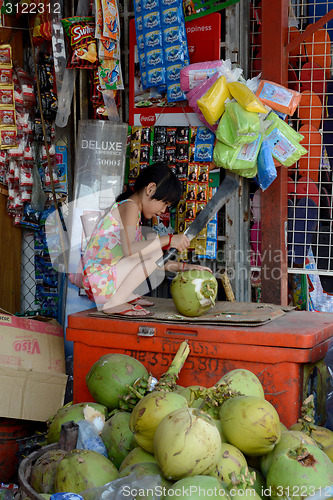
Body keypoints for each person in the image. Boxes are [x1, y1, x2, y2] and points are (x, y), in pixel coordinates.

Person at [81, 162, 211, 315]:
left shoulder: (133, 212)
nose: (163, 210)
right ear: (150, 189)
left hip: (101, 282)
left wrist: (185, 268)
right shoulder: (130, 206)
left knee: (152, 248)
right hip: (99, 280)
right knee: (154, 249)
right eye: (165, 203)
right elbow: (130, 251)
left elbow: (151, 262)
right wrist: (168, 239)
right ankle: (115, 303)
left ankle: (123, 297)